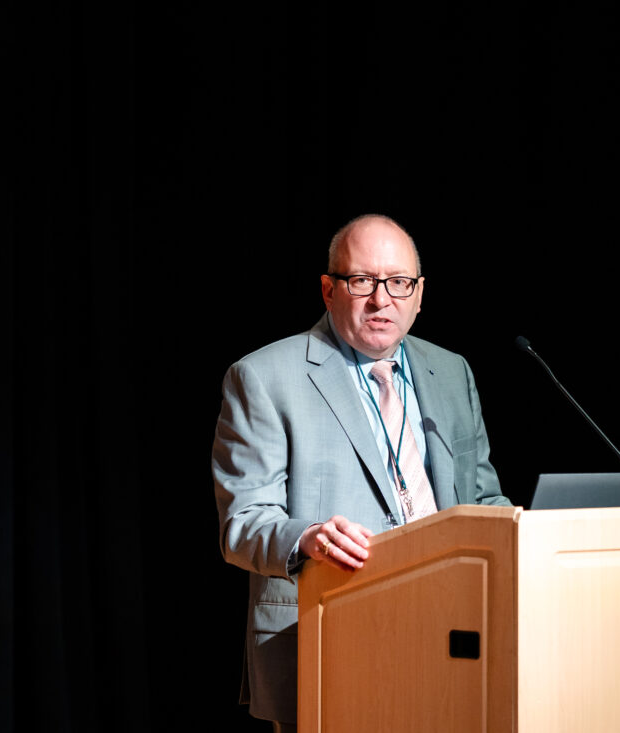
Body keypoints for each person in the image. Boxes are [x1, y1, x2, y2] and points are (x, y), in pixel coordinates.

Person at [212, 213, 512, 730]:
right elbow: (243, 523)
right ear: (328, 290)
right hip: (329, 637)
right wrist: (307, 537)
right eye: (361, 281)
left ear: (419, 294)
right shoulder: (263, 377)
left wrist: (535, 531)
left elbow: (482, 500)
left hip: (454, 631)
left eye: (398, 282)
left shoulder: (451, 371)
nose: (381, 299)